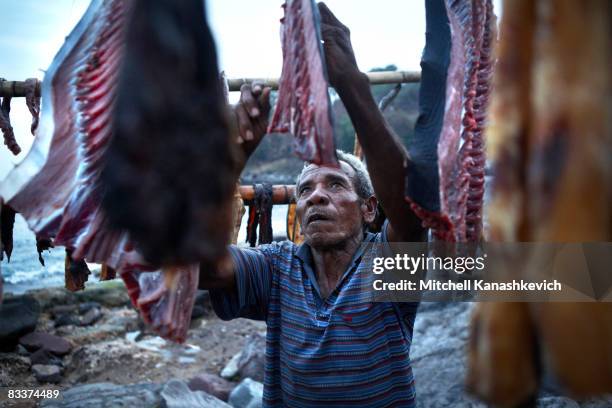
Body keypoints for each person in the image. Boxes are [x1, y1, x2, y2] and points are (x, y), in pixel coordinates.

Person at [199, 3, 426, 406]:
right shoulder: (276, 267)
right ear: (299, 214)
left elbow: (409, 211)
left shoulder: (387, 264)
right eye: (305, 191)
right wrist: (230, 164)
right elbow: (204, 269)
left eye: (335, 185)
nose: (316, 195)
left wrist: (350, 84)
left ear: (370, 208)